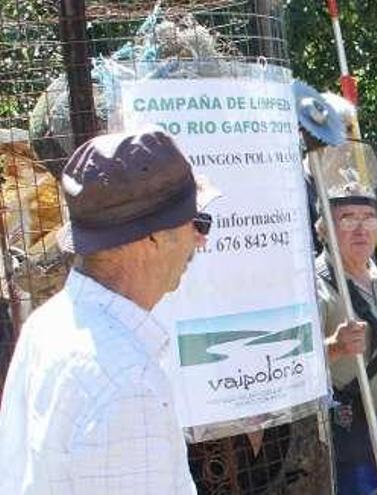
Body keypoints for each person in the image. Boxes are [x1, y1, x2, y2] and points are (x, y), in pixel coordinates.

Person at [0, 128, 219, 494]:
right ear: (152, 238)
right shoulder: (127, 384)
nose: (202, 238)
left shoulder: (48, 324)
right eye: (196, 222)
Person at [314, 167, 377, 494]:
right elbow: (295, 362)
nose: (360, 229)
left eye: (368, 218)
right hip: (349, 428)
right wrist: (334, 346)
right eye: (347, 219)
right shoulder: (315, 285)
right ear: (323, 229)